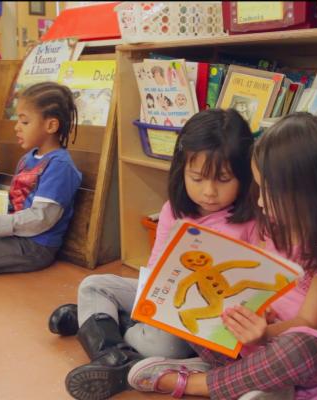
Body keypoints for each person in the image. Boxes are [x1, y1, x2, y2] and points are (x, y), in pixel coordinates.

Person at [128, 112, 317, 400]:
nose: (258, 201)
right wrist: (257, 313)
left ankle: (197, 383)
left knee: (299, 349)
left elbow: (310, 322)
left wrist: (265, 333)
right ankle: (257, 384)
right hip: (261, 339)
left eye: (269, 191)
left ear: (307, 192)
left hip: (308, 350)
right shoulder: (276, 226)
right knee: (208, 312)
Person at [48, 108, 256, 400]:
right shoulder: (174, 209)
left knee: (163, 347)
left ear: (244, 176)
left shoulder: (250, 221)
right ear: (181, 170)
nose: (209, 191)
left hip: (207, 321)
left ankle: (101, 323)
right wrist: (154, 305)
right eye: (197, 178)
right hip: (166, 299)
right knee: (94, 284)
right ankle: (116, 358)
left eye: (223, 180)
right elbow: (157, 266)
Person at [0, 81, 82, 277]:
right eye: (17, 120)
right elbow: (14, 201)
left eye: (24, 122)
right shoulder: (28, 158)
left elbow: (41, 218)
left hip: (34, 246)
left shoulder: (60, 166)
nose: (17, 128)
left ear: (51, 125)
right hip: (13, 232)